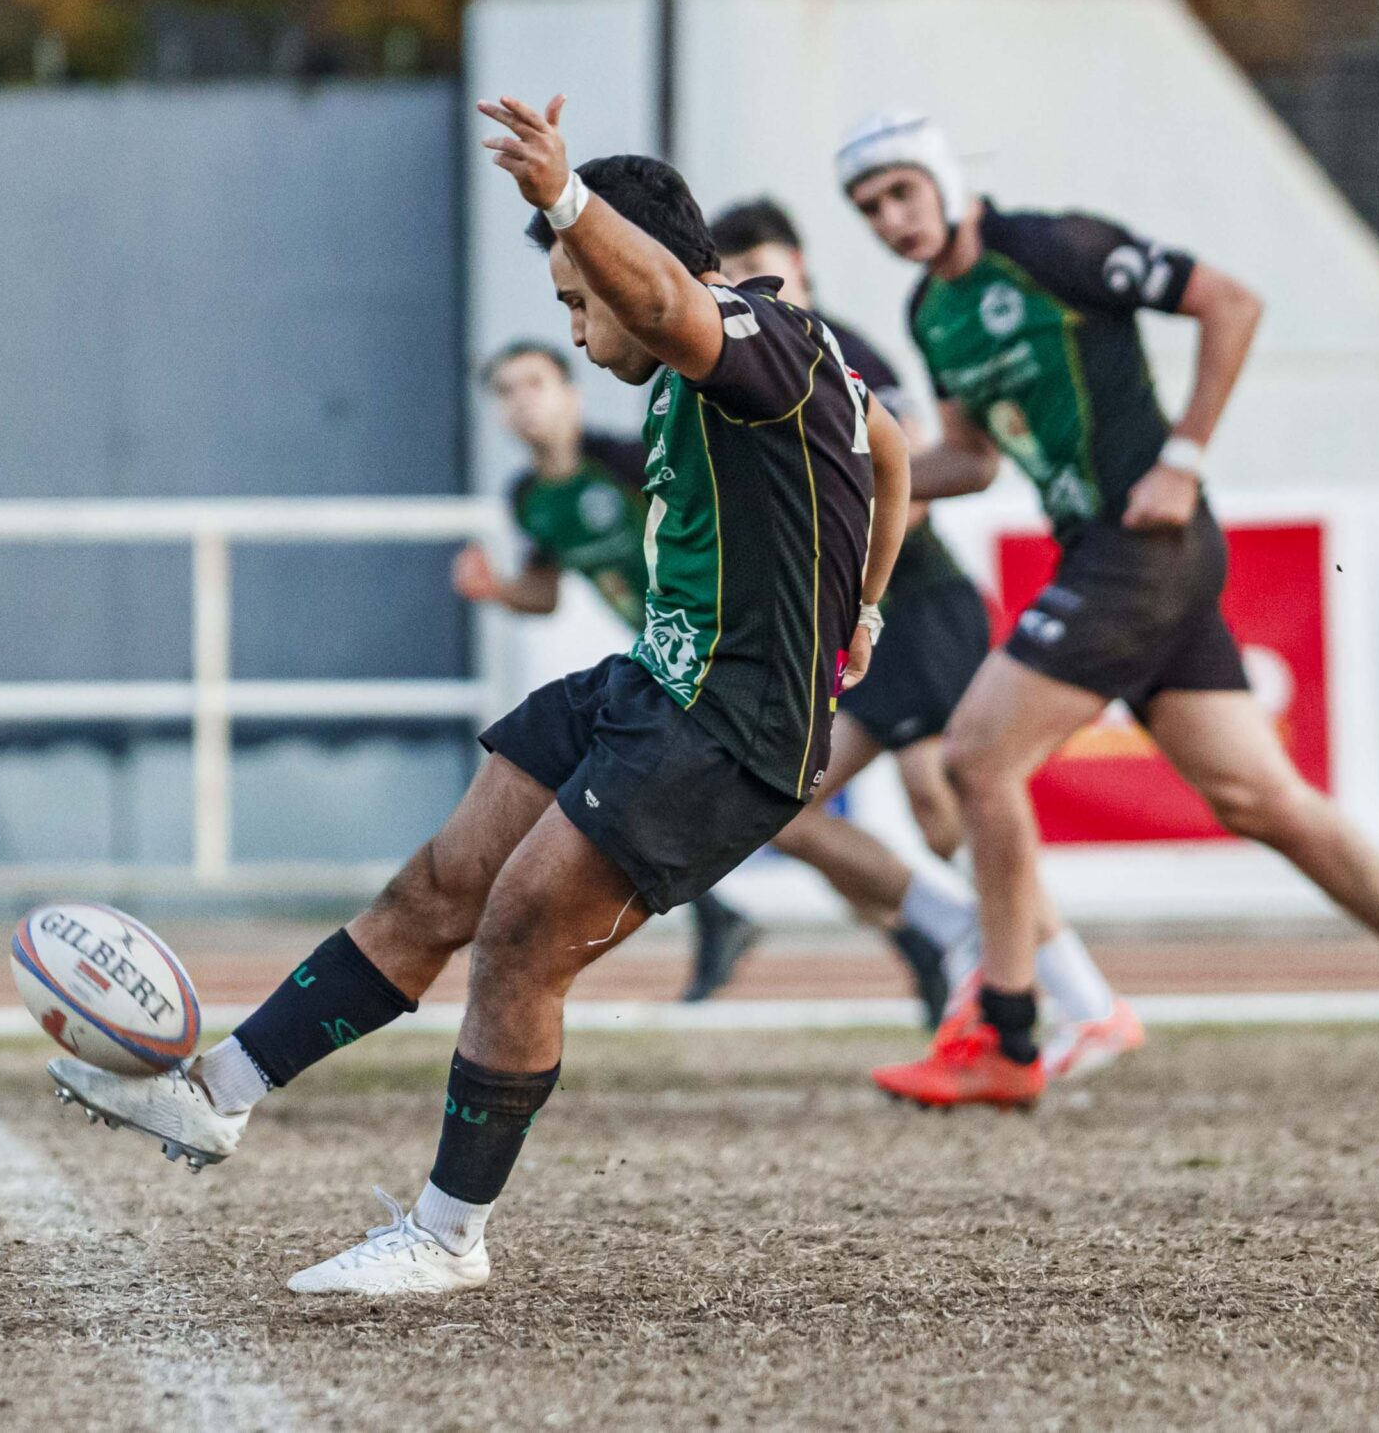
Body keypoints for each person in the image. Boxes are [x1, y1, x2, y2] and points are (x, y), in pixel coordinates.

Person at [48, 104, 908, 1296]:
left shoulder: (742, 332)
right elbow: (892, 450)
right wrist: (860, 610)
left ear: (632, 264)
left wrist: (565, 200)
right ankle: (214, 1096)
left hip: (724, 726)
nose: (574, 323)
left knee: (516, 939)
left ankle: (449, 1234)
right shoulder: (746, 354)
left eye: (575, 298)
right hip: (648, 683)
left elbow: (670, 305)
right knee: (439, 886)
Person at [837, 109, 1379, 1122]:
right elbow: (971, 457)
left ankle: (1011, 1033)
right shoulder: (931, 310)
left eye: (900, 192)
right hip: (1107, 555)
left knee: (976, 760)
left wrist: (1184, 453)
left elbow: (1232, 303)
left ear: (941, 178)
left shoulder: (1054, 246)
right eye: (868, 208)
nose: (891, 218)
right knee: (1257, 798)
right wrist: (854, 476)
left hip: (1143, 549)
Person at [709, 196, 1130, 1043]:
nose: (761, 280)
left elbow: (914, 480)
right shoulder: (746, 364)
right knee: (796, 810)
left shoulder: (843, 350)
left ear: (804, 260)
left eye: (771, 259)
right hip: (861, 621)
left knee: (943, 804)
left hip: (917, 606)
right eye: (736, 269)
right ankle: (979, 944)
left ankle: (1071, 995)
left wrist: (833, 528)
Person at [454, 339, 763, 1005]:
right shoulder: (531, 497)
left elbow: (717, 522)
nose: (522, 402)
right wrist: (497, 589)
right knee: (639, 797)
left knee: (649, 799)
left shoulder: (625, 462)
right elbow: (546, 593)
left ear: (572, 395)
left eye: (535, 383)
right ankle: (720, 920)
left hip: (722, 648)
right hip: (666, 661)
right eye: (507, 392)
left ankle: (920, 927)